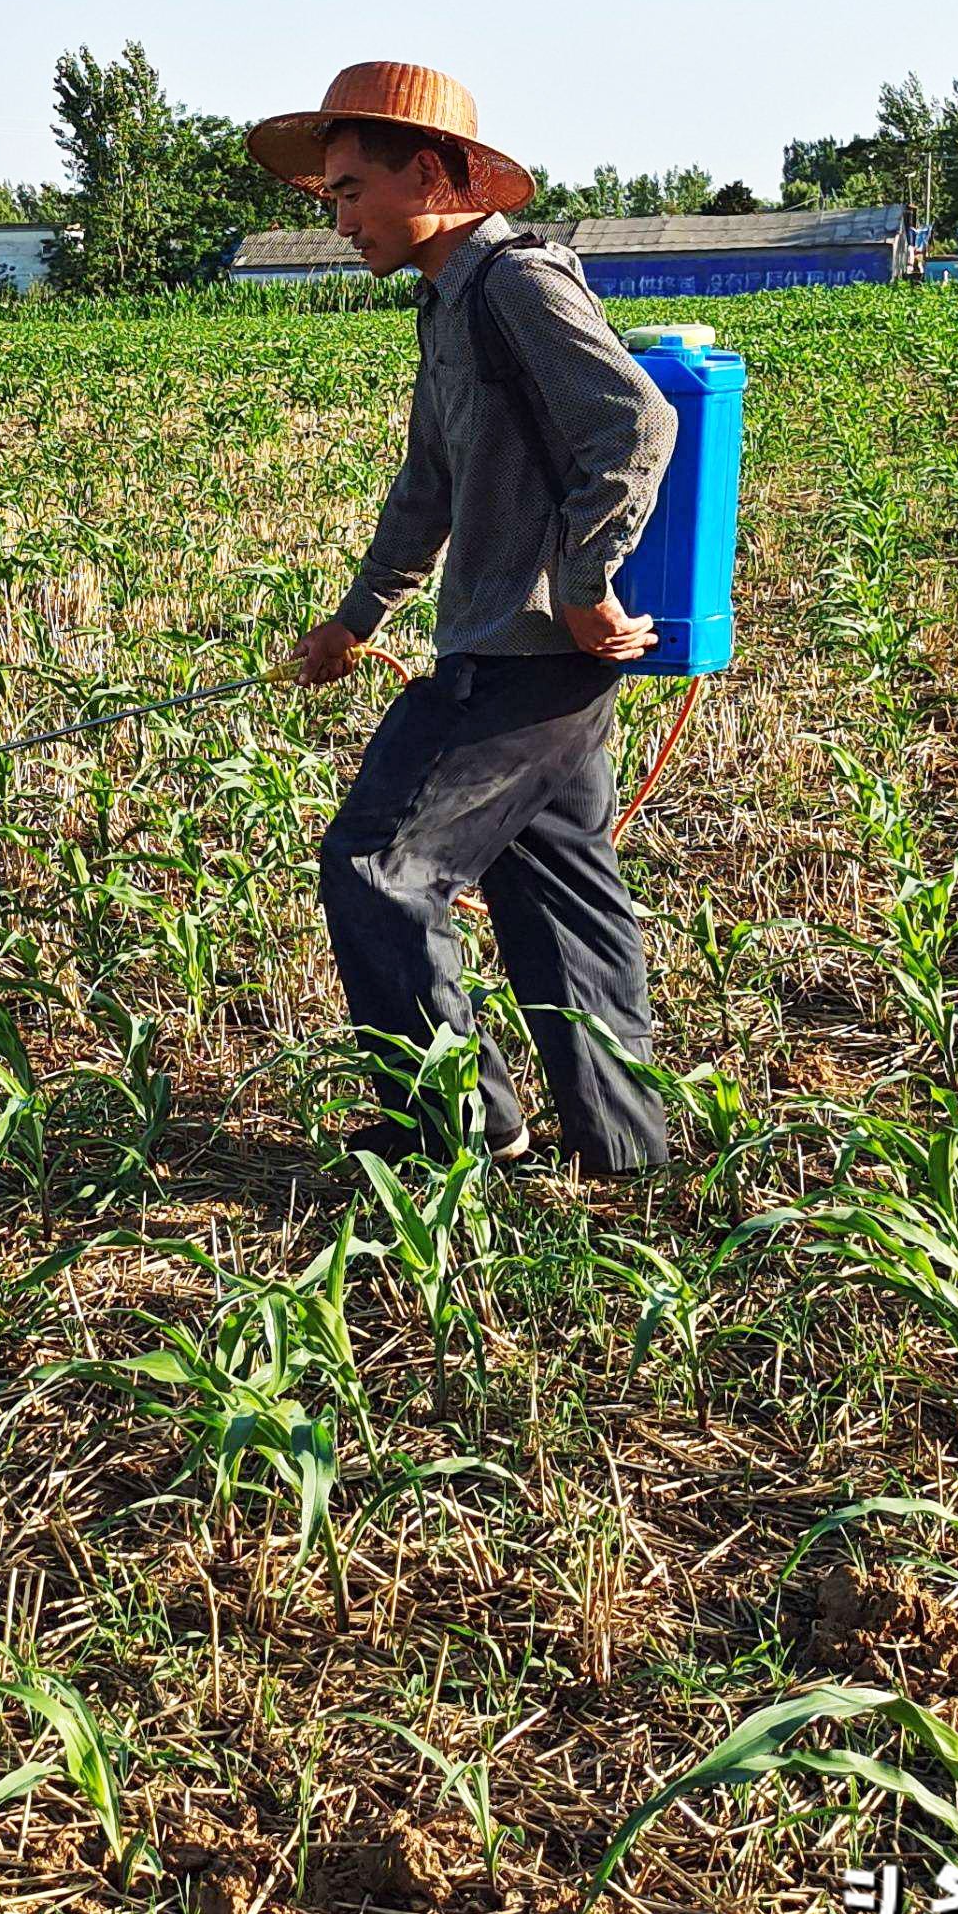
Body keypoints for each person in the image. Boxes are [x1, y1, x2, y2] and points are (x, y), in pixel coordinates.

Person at [251, 61, 678, 1176]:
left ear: (432, 171)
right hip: (518, 652)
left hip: (527, 654)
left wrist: (584, 584)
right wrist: (354, 618)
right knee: (558, 896)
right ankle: (623, 1151)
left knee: (375, 865)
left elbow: (634, 424)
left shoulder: (514, 287)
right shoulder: (449, 305)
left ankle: (456, 1129)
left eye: (349, 190)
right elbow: (427, 487)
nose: (337, 217)